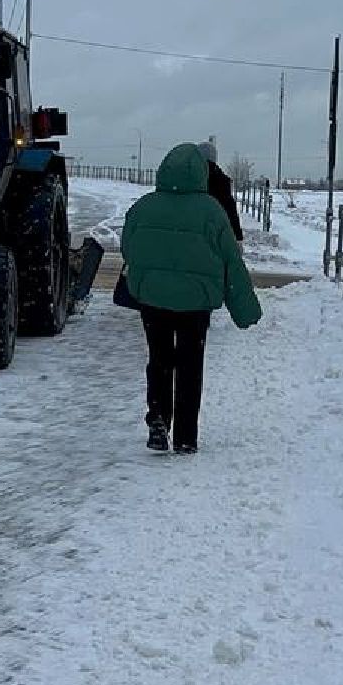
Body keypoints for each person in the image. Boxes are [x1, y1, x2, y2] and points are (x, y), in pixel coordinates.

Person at [120, 142, 262, 454]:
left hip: (153, 299)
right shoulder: (212, 211)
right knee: (189, 365)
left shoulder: (143, 207)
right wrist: (246, 310)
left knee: (159, 359)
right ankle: (185, 437)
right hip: (195, 304)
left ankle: (158, 417)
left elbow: (128, 247)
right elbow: (231, 262)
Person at [198, 139, 244, 242]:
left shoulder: (189, 178)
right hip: (213, 235)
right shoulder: (221, 181)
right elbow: (230, 210)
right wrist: (237, 236)